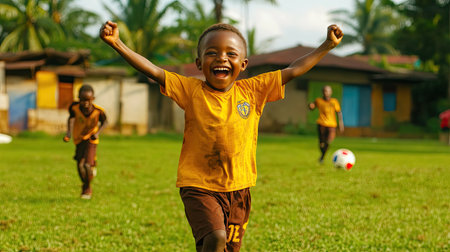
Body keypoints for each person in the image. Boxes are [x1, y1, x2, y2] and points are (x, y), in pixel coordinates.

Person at [100, 20, 342, 251]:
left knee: (224, 246)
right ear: (199, 62)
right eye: (212, 53)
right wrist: (117, 43)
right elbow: (153, 70)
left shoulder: (253, 91)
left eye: (230, 54)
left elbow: (293, 69)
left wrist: (327, 45)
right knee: (217, 237)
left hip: (239, 188)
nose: (221, 58)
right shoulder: (190, 90)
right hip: (199, 185)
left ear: (244, 64)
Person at [63, 84, 108, 199]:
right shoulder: (74, 108)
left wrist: (97, 134)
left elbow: (105, 122)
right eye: (83, 100)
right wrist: (68, 133)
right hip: (78, 139)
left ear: (93, 98)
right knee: (80, 165)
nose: (85, 103)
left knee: (87, 165)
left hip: (91, 139)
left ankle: (87, 188)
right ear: (79, 98)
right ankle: (86, 181)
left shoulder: (98, 111)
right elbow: (71, 118)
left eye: (88, 100)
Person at [308, 85, 344, 164]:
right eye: (325, 91)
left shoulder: (334, 101)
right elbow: (312, 107)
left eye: (328, 91)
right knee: (321, 143)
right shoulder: (319, 100)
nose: (326, 93)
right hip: (321, 124)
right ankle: (322, 156)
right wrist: (310, 106)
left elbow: (339, 112)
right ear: (322, 92)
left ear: (331, 92)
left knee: (328, 141)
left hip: (332, 125)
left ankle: (322, 157)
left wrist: (341, 123)